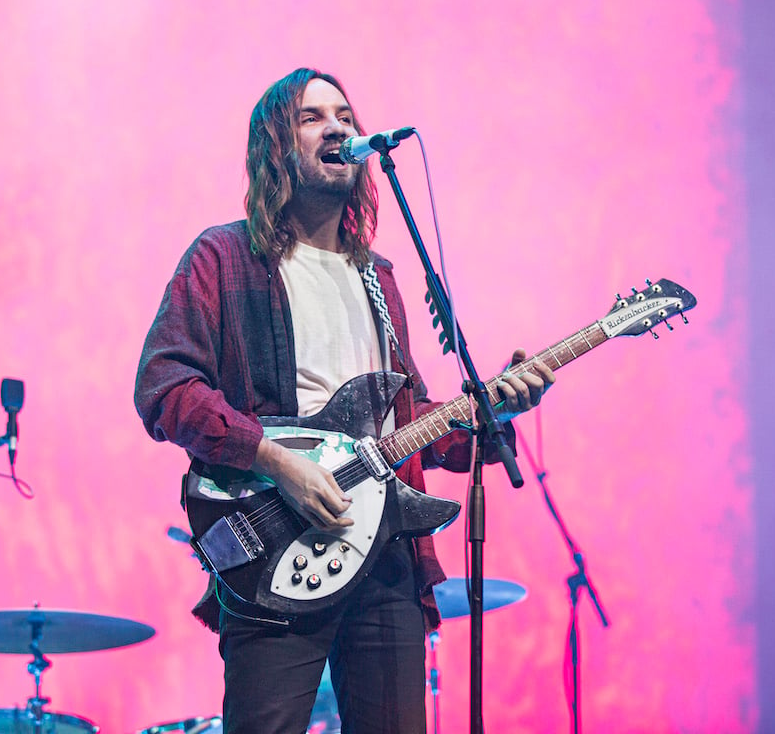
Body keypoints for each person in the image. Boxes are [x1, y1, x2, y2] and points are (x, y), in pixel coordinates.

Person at [134, 67, 554, 734]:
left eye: (345, 116)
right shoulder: (225, 257)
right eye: (312, 117)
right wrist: (276, 460)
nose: (338, 127)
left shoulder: (378, 279)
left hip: (385, 554)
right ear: (276, 147)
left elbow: (409, 427)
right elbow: (165, 389)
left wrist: (491, 416)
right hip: (274, 544)